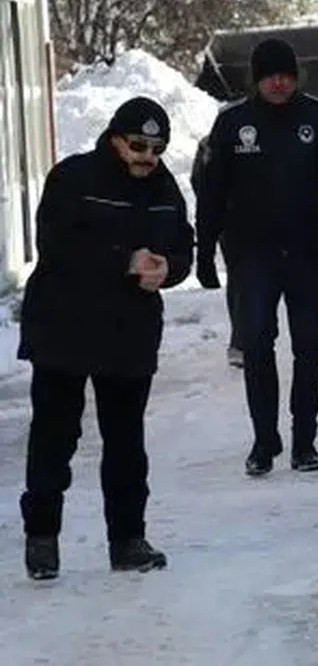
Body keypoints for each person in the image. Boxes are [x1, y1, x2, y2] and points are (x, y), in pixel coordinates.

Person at [16, 97, 193, 581]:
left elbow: (182, 245)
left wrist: (169, 268)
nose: (147, 157)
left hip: (128, 333)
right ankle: (42, 538)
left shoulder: (165, 189)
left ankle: (128, 540)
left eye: (157, 149)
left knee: (125, 441)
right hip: (64, 327)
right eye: (138, 145)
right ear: (115, 140)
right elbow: (55, 244)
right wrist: (123, 260)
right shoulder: (74, 178)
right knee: (55, 436)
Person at [194, 37, 318, 477]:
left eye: (285, 75)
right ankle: (264, 440)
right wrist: (204, 250)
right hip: (253, 256)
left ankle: (305, 442)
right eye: (270, 76)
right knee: (257, 347)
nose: (279, 83)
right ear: (257, 79)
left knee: (309, 349)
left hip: (308, 254)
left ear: (296, 76)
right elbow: (212, 191)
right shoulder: (233, 124)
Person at [191, 131, 243, 368]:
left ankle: (244, 340)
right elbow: (200, 182)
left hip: (234, 219)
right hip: (233, 222)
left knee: (241, 279)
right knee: (242, 279)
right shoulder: (212, 143)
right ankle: (242, 341)